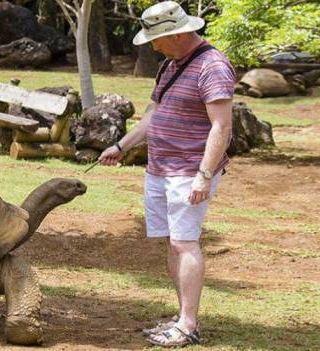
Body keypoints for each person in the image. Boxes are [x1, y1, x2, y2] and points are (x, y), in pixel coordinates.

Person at [98, 1, 235, 347]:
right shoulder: (170, 65)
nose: (153, 46)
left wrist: (204, 174)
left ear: (177, 34)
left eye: (156, 39)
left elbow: (221, 126)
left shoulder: (212, 66)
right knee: (172, 245)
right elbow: (153, 114)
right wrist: (121, 145)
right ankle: (181, 316)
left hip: (189, 170)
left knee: (183, 242)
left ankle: (189, 325)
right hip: (160, 168)